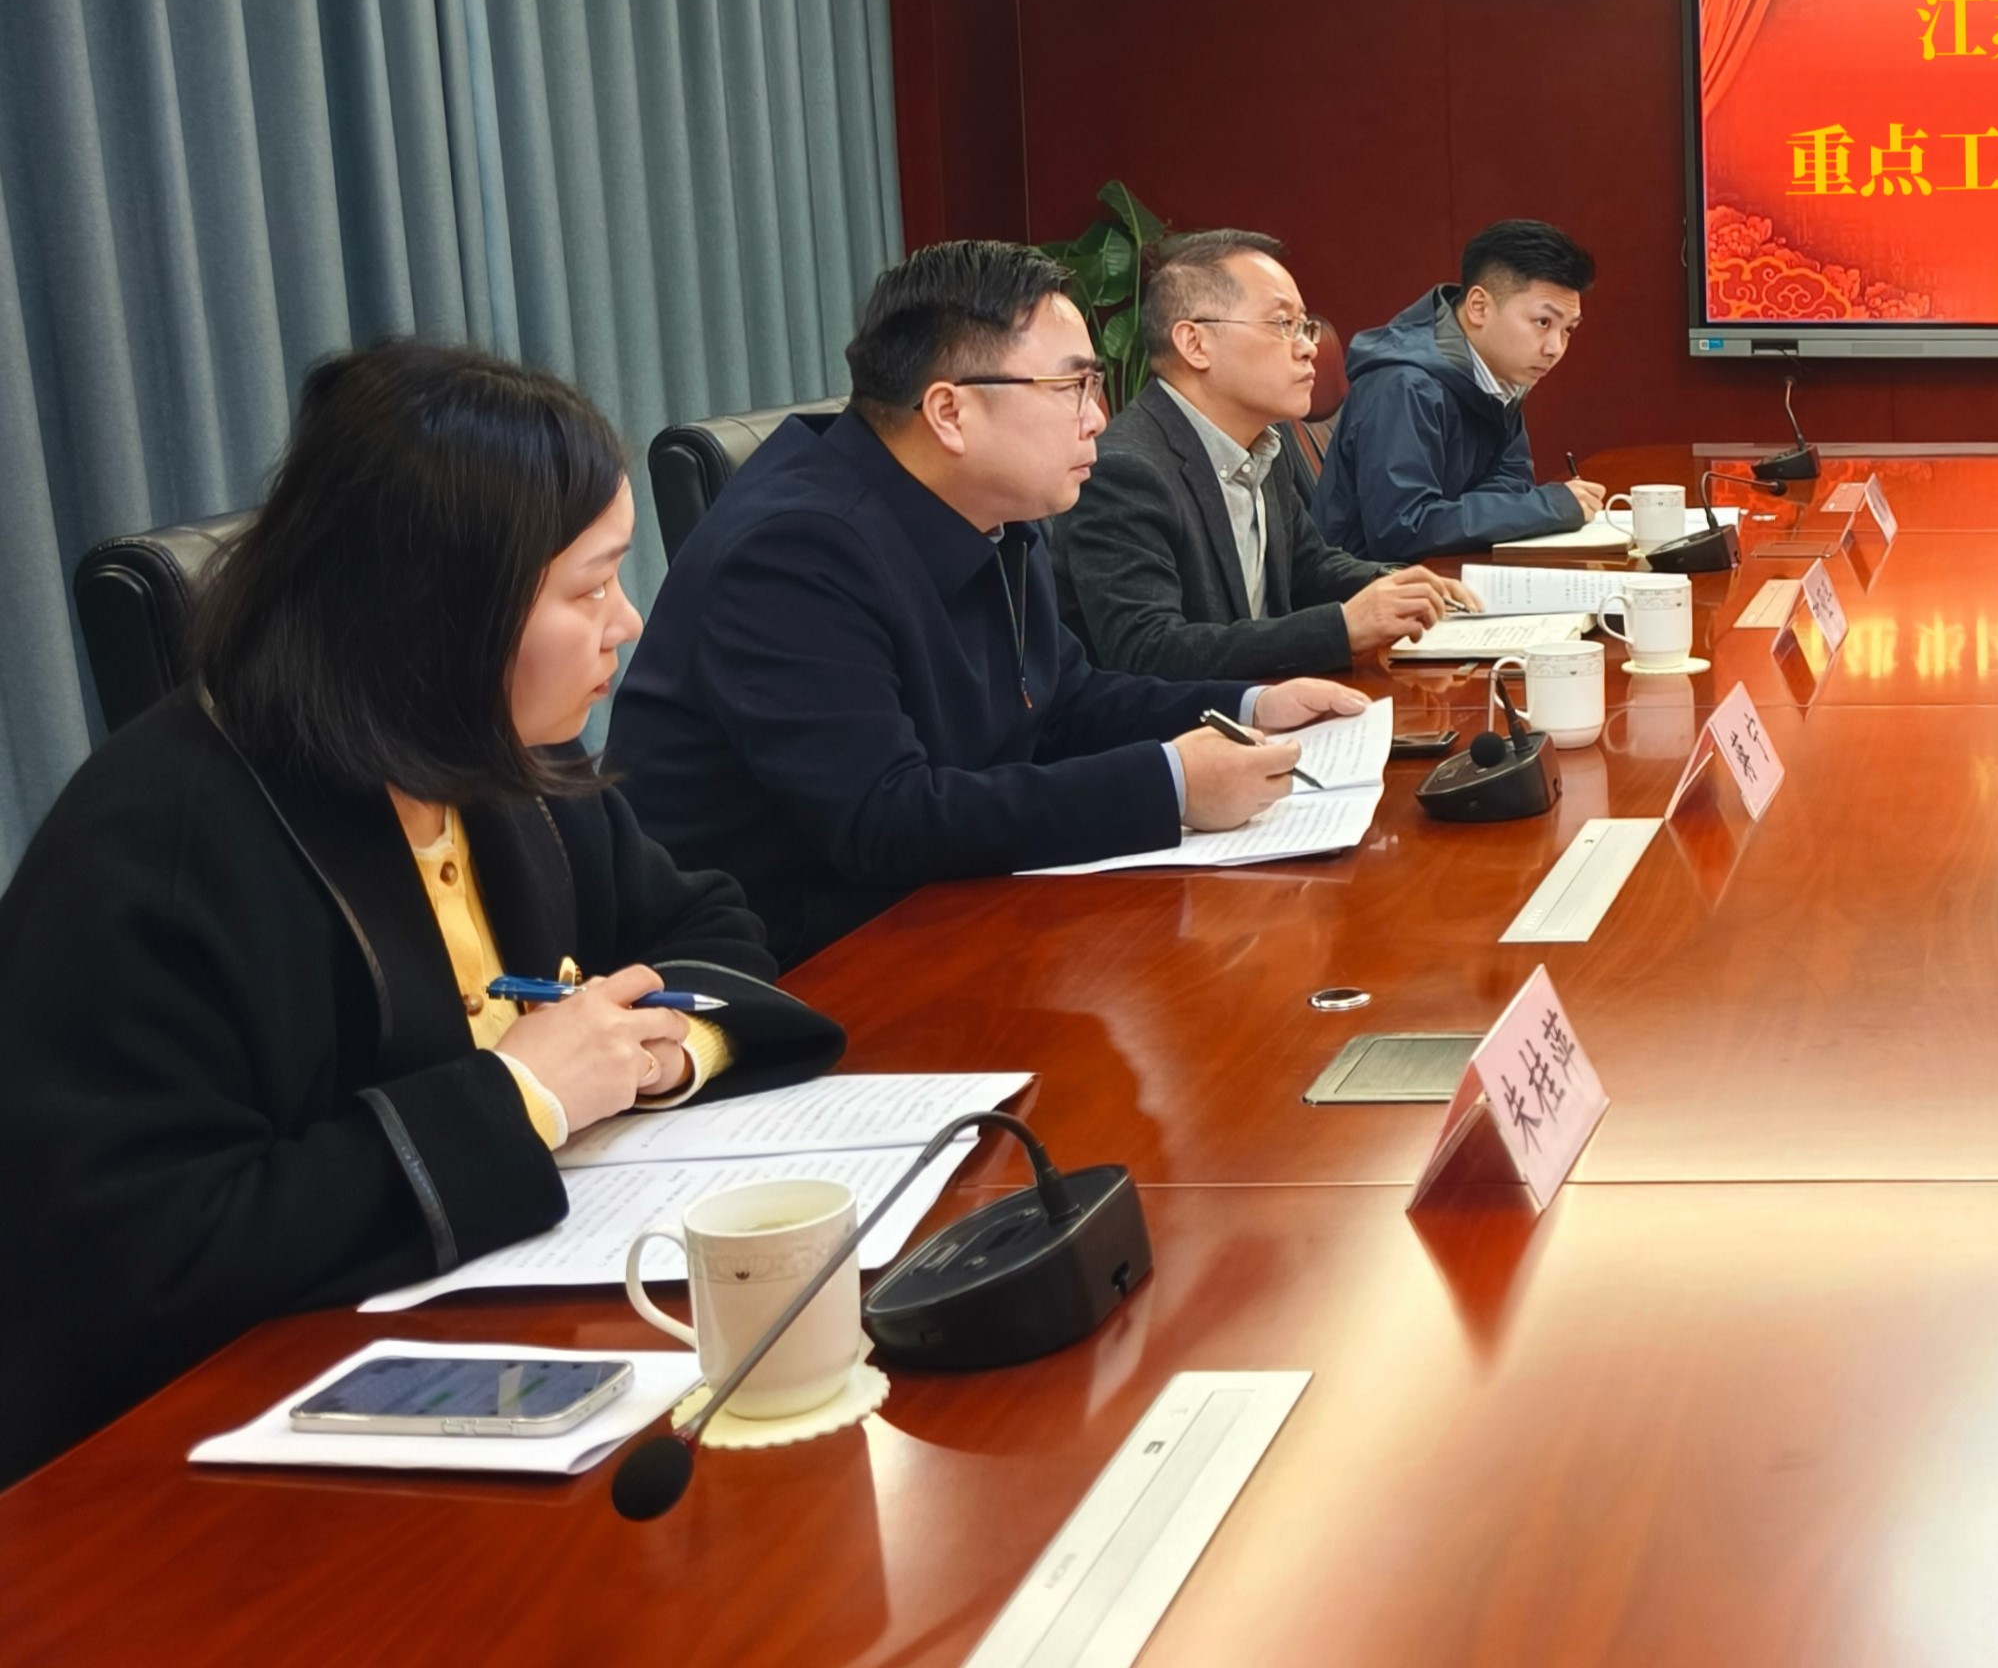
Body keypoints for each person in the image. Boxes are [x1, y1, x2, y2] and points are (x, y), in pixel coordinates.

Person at [0, 342, 845, 1483]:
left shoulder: (493, 761)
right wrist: (526, 1095)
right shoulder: (163, 846)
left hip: (513, 1343)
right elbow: (153, 1254)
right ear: (443, 608)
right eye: (589, 588)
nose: (629, 623)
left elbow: (706, 929)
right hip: (213, 1468)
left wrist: (653, 1054)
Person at [611, 242, 1372, 963]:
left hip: (949, 912)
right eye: (1071, 388)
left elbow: (1062, 702)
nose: (1098, 418)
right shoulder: (795, 550)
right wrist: (1168, 784)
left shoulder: (992, 509)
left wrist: (1249, 704)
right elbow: (883, 818)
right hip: (803, 965)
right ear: (949, 412)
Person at [1062, 229, 1473, 681]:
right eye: (1282, 324)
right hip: (1199, 722)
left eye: (1304, 325)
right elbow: (1149, 651)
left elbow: (1307, 566)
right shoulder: (1126, 470)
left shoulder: (1262, 440)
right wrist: (1341, 628)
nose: (1308, 347)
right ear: (1195, 344)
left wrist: (1392, 583)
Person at [1311, 219, 1608, 563]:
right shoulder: (1403, 385)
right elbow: (1402, 530)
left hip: (1444, 571)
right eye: (1543, 322)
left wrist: (1521, 509)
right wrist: (1549, 506)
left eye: (1568, 329)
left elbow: (1512, 486)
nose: (1555, 348)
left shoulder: (1499, 375)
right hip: (1371, 584)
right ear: (1479, 307)